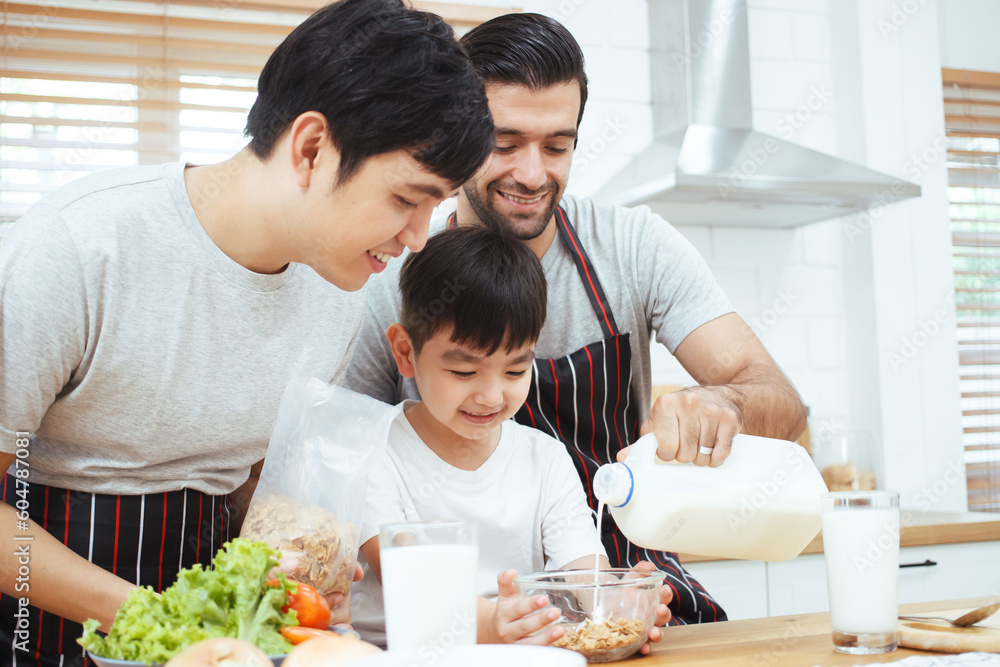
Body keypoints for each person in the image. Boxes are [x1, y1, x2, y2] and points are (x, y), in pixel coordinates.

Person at [0, 0, 493, 663]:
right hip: (44, 630)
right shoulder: (80, 247)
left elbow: (241, 481)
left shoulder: (341, 286)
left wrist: (295, 565)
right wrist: (162, 619)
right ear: (311, 147)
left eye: (436, 206)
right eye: (407, 199)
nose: (414, 237)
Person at [344, 13, 808, 625]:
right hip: (468, 604)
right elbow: (342, 465)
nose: (533, 174)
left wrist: (727, 401)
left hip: (615, 573)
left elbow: (785, 403)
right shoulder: (395, 274)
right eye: (504, 144)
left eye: (557, 146)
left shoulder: (635, 247)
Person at [349, 226, 670, 649]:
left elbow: (582, 572)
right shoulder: (373, 452)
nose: (492, 396)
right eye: (464, 372)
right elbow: (411, 578)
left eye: (516, 371)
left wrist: (617, 602)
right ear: (406, 352)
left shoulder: (545, 459)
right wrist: (487, 625)